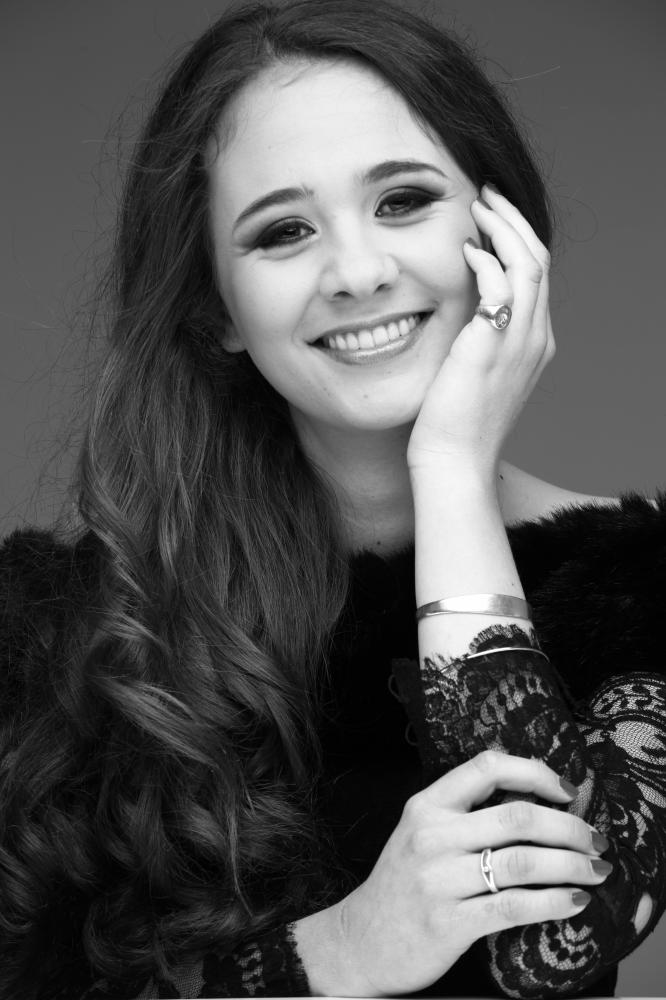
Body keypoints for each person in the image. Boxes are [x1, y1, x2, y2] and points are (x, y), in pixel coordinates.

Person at [1, 0, 665, 997]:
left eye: (403, 201)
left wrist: (450, 469)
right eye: (284, 231)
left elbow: (557, 938)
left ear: (504, 234)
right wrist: (346, 949)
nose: (357, 272)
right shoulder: (59, 631)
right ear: (216, 308)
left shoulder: (640, 585)